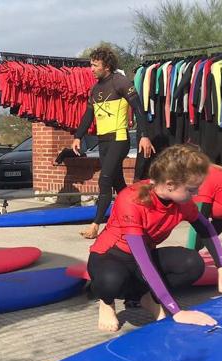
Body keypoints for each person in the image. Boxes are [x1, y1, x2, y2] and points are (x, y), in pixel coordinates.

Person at [87, 144, 222, 332]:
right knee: (111, 281)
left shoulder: (181, 201)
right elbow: (144, 261)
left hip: (141, 259)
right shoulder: (131, 200)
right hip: (109, 257)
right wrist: (175, 310)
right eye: (192, 189)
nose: (196, 194)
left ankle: (145, 297)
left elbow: (206, 228)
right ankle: (106, 302)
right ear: (170, 185)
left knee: (193, 263)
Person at [71, 47, 155, 239]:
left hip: (119, 138)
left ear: (106, 66)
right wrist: (78, 136)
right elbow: (88, 115)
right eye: (91, 65)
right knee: (119, 183)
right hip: (103, 141)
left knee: (105, 180)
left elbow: (139, 109)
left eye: (95, 65)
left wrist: (144, 135)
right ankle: (141, 215)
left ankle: (95, 225)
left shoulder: (120, 82)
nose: (91, 69)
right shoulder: (95, 89)